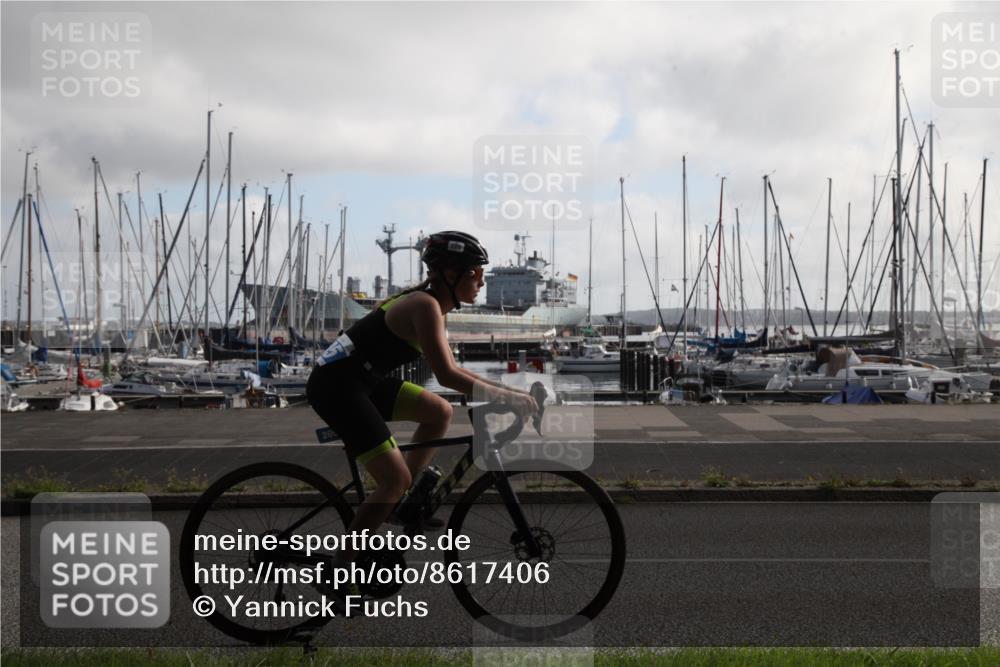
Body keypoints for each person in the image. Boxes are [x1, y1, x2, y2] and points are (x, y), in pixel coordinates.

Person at [306, 230, 538, 557]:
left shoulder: (432, 306)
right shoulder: (424, 306)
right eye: (476, 273)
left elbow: (457, 371)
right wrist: (509, 398)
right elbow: (446, 375)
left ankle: (401, 506)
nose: (481, 281)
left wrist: (508, 392)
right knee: (393, 479)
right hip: (337, 387)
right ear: (450, 275)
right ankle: (343, 569)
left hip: (361, 380)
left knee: (439, 412)